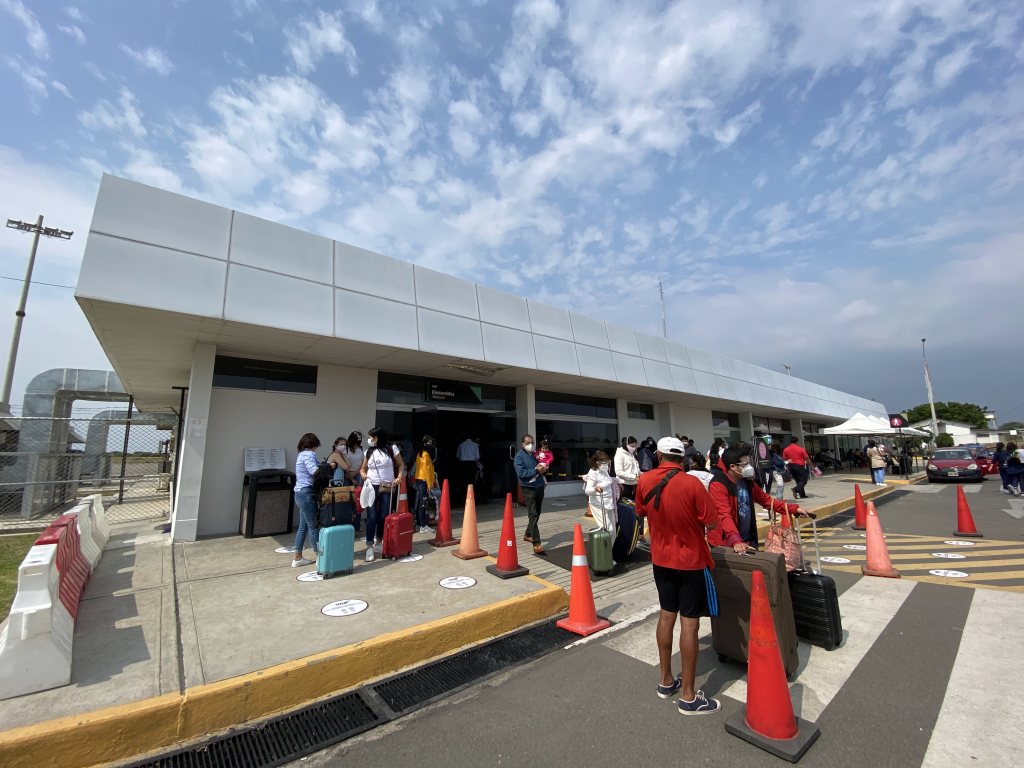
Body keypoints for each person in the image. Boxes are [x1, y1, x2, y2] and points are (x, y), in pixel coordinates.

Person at [635, 436, 720, 715]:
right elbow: (710, 521)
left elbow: (641, 511)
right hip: (691, 562)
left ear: (658, 456)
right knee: (690, 625)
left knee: (666, 615)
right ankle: (688, 696)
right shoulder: (692, 483)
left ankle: (665, 681)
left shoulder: (645, 481)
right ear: (681, 459)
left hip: (660, 560)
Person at [707, 444, 809, 552]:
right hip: (726, 541)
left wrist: (793, 509)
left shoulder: (747, 481)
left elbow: (766, 500)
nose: (748, 467)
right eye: (744, 464)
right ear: (733, 466)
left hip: (747, 539)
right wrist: (735, 540)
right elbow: (724, 515)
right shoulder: (719, 484)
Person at [359, 427, 406, 562]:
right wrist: (363, 474)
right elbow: (363, 468)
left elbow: (400, 464)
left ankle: (379, 542)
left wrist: (399, 476)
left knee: (384, 516)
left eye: (370, 437)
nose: (369, 440)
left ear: (377, 438)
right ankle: (369, 546)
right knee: (371, 516)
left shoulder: (391, 449)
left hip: (387, 486)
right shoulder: (368, 451)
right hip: (371, 486)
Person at [292, 433, 324, 568]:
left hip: (299, 493)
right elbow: (314, 471)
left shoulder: (301, 454)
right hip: (307, 494)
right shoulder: (308, 454)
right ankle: (320, 556)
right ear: (313, 444)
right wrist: (329, 467)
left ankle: (298, 557)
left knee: (303, 526)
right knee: (313, 527)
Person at [514, 434, 548, 555]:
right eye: (528, 443)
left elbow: (542, 466)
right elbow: (521, 473)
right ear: (523, 445)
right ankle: (537, 543)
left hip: (539, 486)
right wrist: (536, 471)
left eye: (532, 443)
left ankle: (528, 534)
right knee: (533, 514)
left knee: (537, 513)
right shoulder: (519, 457)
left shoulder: (535, 455)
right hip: (528, 488)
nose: (531, 445)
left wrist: (543, 471)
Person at [583, 450, 620, 537]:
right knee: (608, 529)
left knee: (613, 531)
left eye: (608, 462)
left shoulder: (605, 472)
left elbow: (609, 482)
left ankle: (610, 550)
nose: (606, 465)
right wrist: (595, 489)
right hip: (599, 503)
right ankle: (603, 549)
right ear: (598, 463)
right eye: (605, 463)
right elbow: (587, 490)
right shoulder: (593, 473)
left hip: (609, 503)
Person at [411, 435, 438, 534]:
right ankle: (423, 525)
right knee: (423, 504)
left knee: (419, 503)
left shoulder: (420, 453)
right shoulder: (425, 454)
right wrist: (429, 484)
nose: (431, 444)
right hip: (423, 480)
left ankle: (419, 523)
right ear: (424, 443)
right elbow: (426, 470)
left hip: (420, 480)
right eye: (429, 442)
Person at [341, 431, 365, 532]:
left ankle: (357, 525)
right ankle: (347, 524)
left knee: (358, 499)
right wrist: (350, 475)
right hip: (347, 474)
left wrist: (355, 473)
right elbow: (343, 463)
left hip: (358, 473)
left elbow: (364, 463)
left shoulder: (362, 449)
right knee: (347, 499)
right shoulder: (346, 450)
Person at [456, 436, 481, 503]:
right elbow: (477, 456)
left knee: (463, 481)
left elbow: (457, 455)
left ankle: (463, 497)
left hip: (463, 463)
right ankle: (471, 496)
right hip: (472, 463)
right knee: (471, 481)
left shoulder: (461, 444)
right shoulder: (475, 445)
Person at [615, 436, 640, 500]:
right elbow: (618, 472)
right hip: (625, 485)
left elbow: (636, 470)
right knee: (626, 506)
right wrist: (634, 477)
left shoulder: (632, 454)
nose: (634, 448)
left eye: (635, 446)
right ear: (626, 444)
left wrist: (645, 474)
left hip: (635, 484)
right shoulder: (620, 455)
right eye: (632, 446)